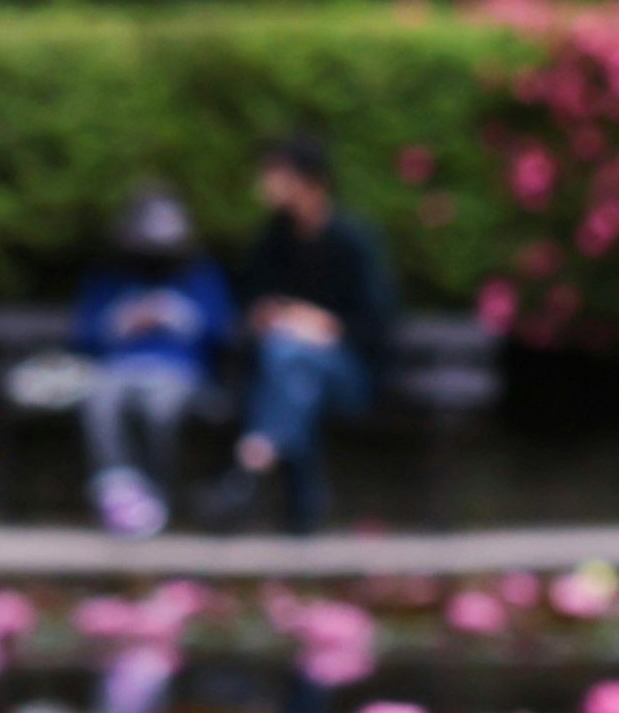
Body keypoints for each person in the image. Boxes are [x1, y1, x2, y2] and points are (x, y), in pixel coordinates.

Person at [198, 132, 397, 535]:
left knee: (291, 358)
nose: (267, 184)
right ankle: (297, 510)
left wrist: (322, 323)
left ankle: (250, 464)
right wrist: (268, 315)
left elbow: (377, 325)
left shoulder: (352, 241)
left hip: (351, 376)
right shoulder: (273, 239)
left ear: (312, 182)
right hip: (289, 371)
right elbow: (248, 303)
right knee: (295, 376)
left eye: (277, 174)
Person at [73, 188, 233, 537]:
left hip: (175, 371)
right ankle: (120, 492)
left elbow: (218, 330)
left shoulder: (200, 273)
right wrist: (125, 319)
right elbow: (86, 333)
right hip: (120, 367)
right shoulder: (110, 273)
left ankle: (157, 494)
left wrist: (174, 314)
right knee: (99, 400)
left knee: (161, 408)